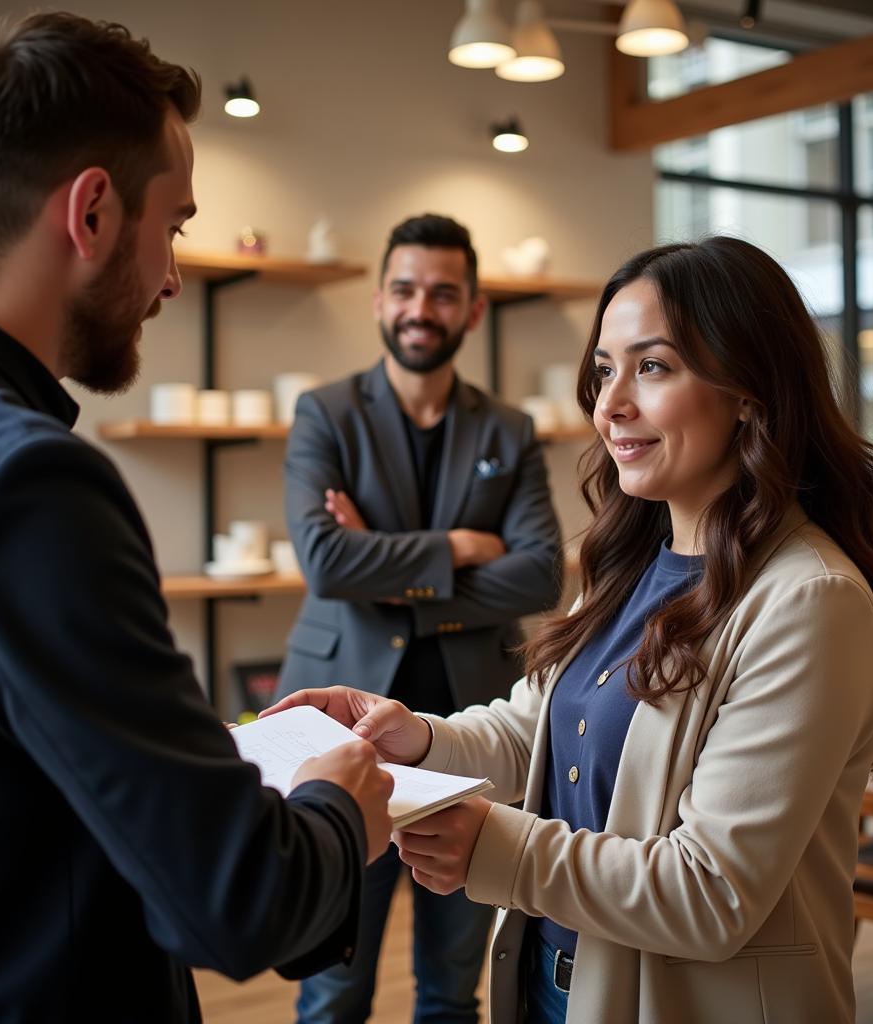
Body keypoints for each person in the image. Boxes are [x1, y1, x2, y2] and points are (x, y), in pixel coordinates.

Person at [271, 236, 873, 1023]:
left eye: (652, 367)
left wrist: (493, 846)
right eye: (605, 370)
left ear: (749, 389)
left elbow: (711, 890)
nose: (611, 405)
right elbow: (533, 728)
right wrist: (410, 735)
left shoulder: (808, 601)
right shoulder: (636, 564)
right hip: (563, 985)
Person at [0, 13, 395, 1023]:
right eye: (173, 224)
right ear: (92, 211)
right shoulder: (32, 485)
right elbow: (234, 900)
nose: (173, 278)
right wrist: (334, 804)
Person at [277, 212, 563, 1022]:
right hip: (342, 740)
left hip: (464, 742)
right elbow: (326, 563)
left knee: (450, 989)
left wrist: (388, 561)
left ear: (471, 309)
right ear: (378, 301)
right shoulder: (325, 413)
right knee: (332, 991)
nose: (420, 308)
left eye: (443, 293)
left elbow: (540, 573)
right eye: (405, 289)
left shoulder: (509, 430)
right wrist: (463, 546)